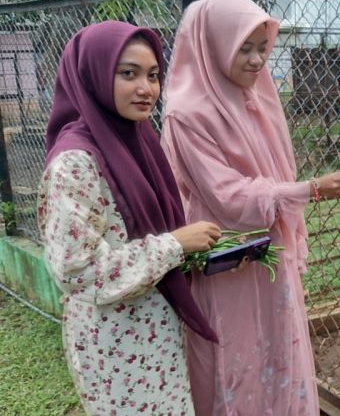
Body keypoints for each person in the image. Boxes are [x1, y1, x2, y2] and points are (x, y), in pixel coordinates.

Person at [161, 0, 340, 415]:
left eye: (262, 49)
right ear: (212, 44)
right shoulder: (188, 113)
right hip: (225, 253)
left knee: (278, 345)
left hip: (268, 249)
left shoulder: (257, 95)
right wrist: (309, 189)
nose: (256, 61)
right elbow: (227, 196)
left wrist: (297, 191)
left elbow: (273, 172)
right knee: (235, 354)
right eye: (244, 49)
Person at [38, 21, 222, 415]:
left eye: (153, 75)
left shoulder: (136, 140)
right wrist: (175, 244)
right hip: (117, 344)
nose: (146, 88)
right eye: (128, 73)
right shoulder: (76, 162)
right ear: (93, 75)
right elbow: (76, 270)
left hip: (155, 332)